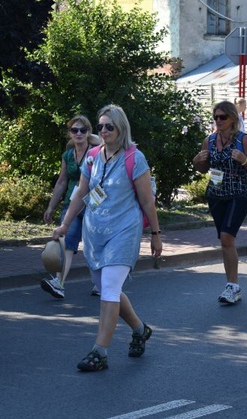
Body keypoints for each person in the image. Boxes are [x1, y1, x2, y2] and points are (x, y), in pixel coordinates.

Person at [53, 104, 161, 372]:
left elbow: (147, 201)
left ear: (121, 128)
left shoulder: (134, 159)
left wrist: (156, 235)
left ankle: (99, 351)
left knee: (111, 288)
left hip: (124, 231)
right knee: (107, 289)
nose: (103, 131)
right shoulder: (92, 157)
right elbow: (80, 193)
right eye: (100, 126)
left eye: (108, 126)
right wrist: (65, 224)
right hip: (94, 232)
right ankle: (139, 329)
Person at [193, 100, 247, 305]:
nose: (218, 121)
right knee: (225, 242)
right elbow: (203, 169)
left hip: (238, 194)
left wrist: (244, 160)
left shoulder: (244, 140)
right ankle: (232, 285)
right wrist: (197, 161)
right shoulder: (210, 140)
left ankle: (233, 286)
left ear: (233, 118)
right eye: (215, 117)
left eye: (222, 117)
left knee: (226, 238)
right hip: (216, 194)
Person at [43, 115, 100, 298]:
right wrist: (51, 206)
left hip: (93, 204)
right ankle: (59, 283)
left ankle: (101, 283)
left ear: (89, 132)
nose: (79, 133)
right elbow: (62, 181)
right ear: (70, 133)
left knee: (95, 245)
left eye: (83, 130)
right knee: (67, 242)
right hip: (72, 203)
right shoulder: (68, 155)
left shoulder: (97, 152)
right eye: (74, 130)